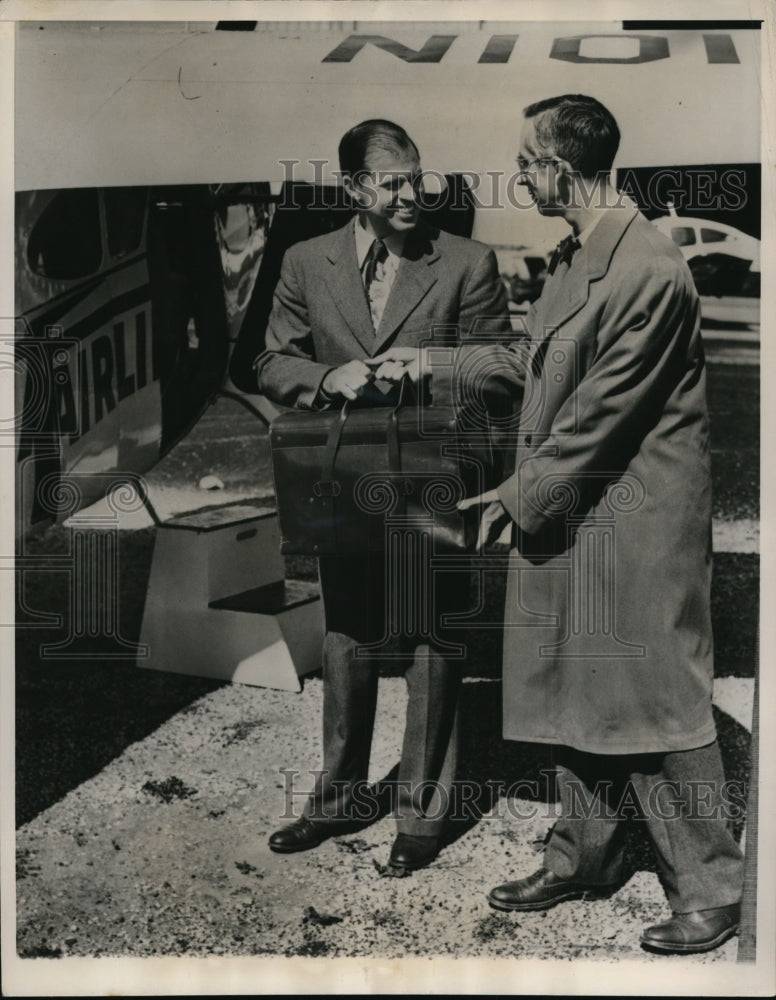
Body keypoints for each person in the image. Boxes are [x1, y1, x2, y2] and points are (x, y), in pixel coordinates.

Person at [460, 94, 743, 953]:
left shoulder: (647, 267)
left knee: (660, 700)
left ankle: (713, 885)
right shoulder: (583, 254)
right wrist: (428, 363)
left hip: (634, 519)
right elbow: (541, 367)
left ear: (559, 167)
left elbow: (600, 415)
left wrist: (516, 497)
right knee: (572, 684)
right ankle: (586, 851)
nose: (518, 174)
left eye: (525, 159)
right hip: (585, 514)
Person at [255, 119, 512, 873]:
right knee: (349, 635)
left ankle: (421, 821)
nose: (411, 194)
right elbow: (273, 359)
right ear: (355, 190)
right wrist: (323, 378)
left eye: (416, 178)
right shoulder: (308, 261)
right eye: (392, 182)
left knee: (435, 639)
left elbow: (501, 367)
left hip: (437, 477)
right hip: (346, 479)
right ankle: (336, 800)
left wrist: (428, 366)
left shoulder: (466, 261)